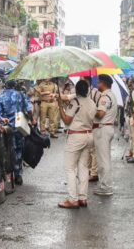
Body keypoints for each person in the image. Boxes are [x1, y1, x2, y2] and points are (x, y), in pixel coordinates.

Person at [57, 80, 96, 209]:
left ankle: (72, 199)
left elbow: (67, 120)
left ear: (77, 90)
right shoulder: (92, 103)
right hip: (89, 135)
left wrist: (60, 106)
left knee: (70, 168)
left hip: (76, 136)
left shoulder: (75, 101)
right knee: (84, 167)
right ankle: (83, 198)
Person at [0, 80, 33, 185]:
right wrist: (32, 120)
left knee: (8, 150)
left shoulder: (1, 95)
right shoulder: (20, 95)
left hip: (5, 128)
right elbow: (28, 109)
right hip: (19, 126)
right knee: (18, 150)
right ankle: (18, 174)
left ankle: (8, 175)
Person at [93, 75, 118, 196]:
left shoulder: (105, 96)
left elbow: (100, 114)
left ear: (103, 83)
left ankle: (106, 187)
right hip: (108, 128)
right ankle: (105, 185)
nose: (97, 85)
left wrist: (92, 109)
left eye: (98, 82)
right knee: (105, 158)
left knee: (103, 160)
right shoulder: (111, 95)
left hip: (103, 128)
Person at [82, 76, 101, 182]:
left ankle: (94, 173)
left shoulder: (95, 93)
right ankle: (89, 170)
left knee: (93, 150)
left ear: (87, 81)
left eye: (82, 80)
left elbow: (97, 109)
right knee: (88, 150)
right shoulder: (85, 93)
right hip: (87, 124)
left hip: (93, 123)